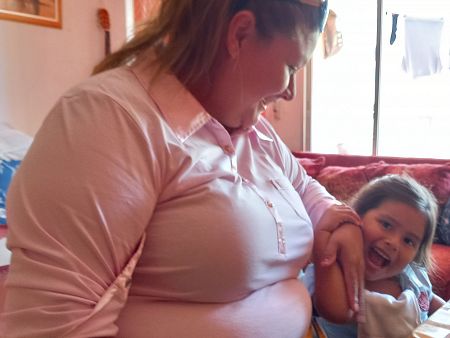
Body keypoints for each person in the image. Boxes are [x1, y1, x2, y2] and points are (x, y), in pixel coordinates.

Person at [1, 1, 364, 337]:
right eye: (291, 67)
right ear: (240, 34)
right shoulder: (110, 120)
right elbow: (54, 325)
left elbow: (305, 189)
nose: (291, 92)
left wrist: (337, 215)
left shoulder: (256, 131)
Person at [307, 174, 446, 338]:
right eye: (386, 224)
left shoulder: (412, 275)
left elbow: (431, 302)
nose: (394, 243)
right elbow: (336, 312)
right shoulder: (331, 271)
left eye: (408, 241)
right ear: (356, 215)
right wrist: (323, 238)